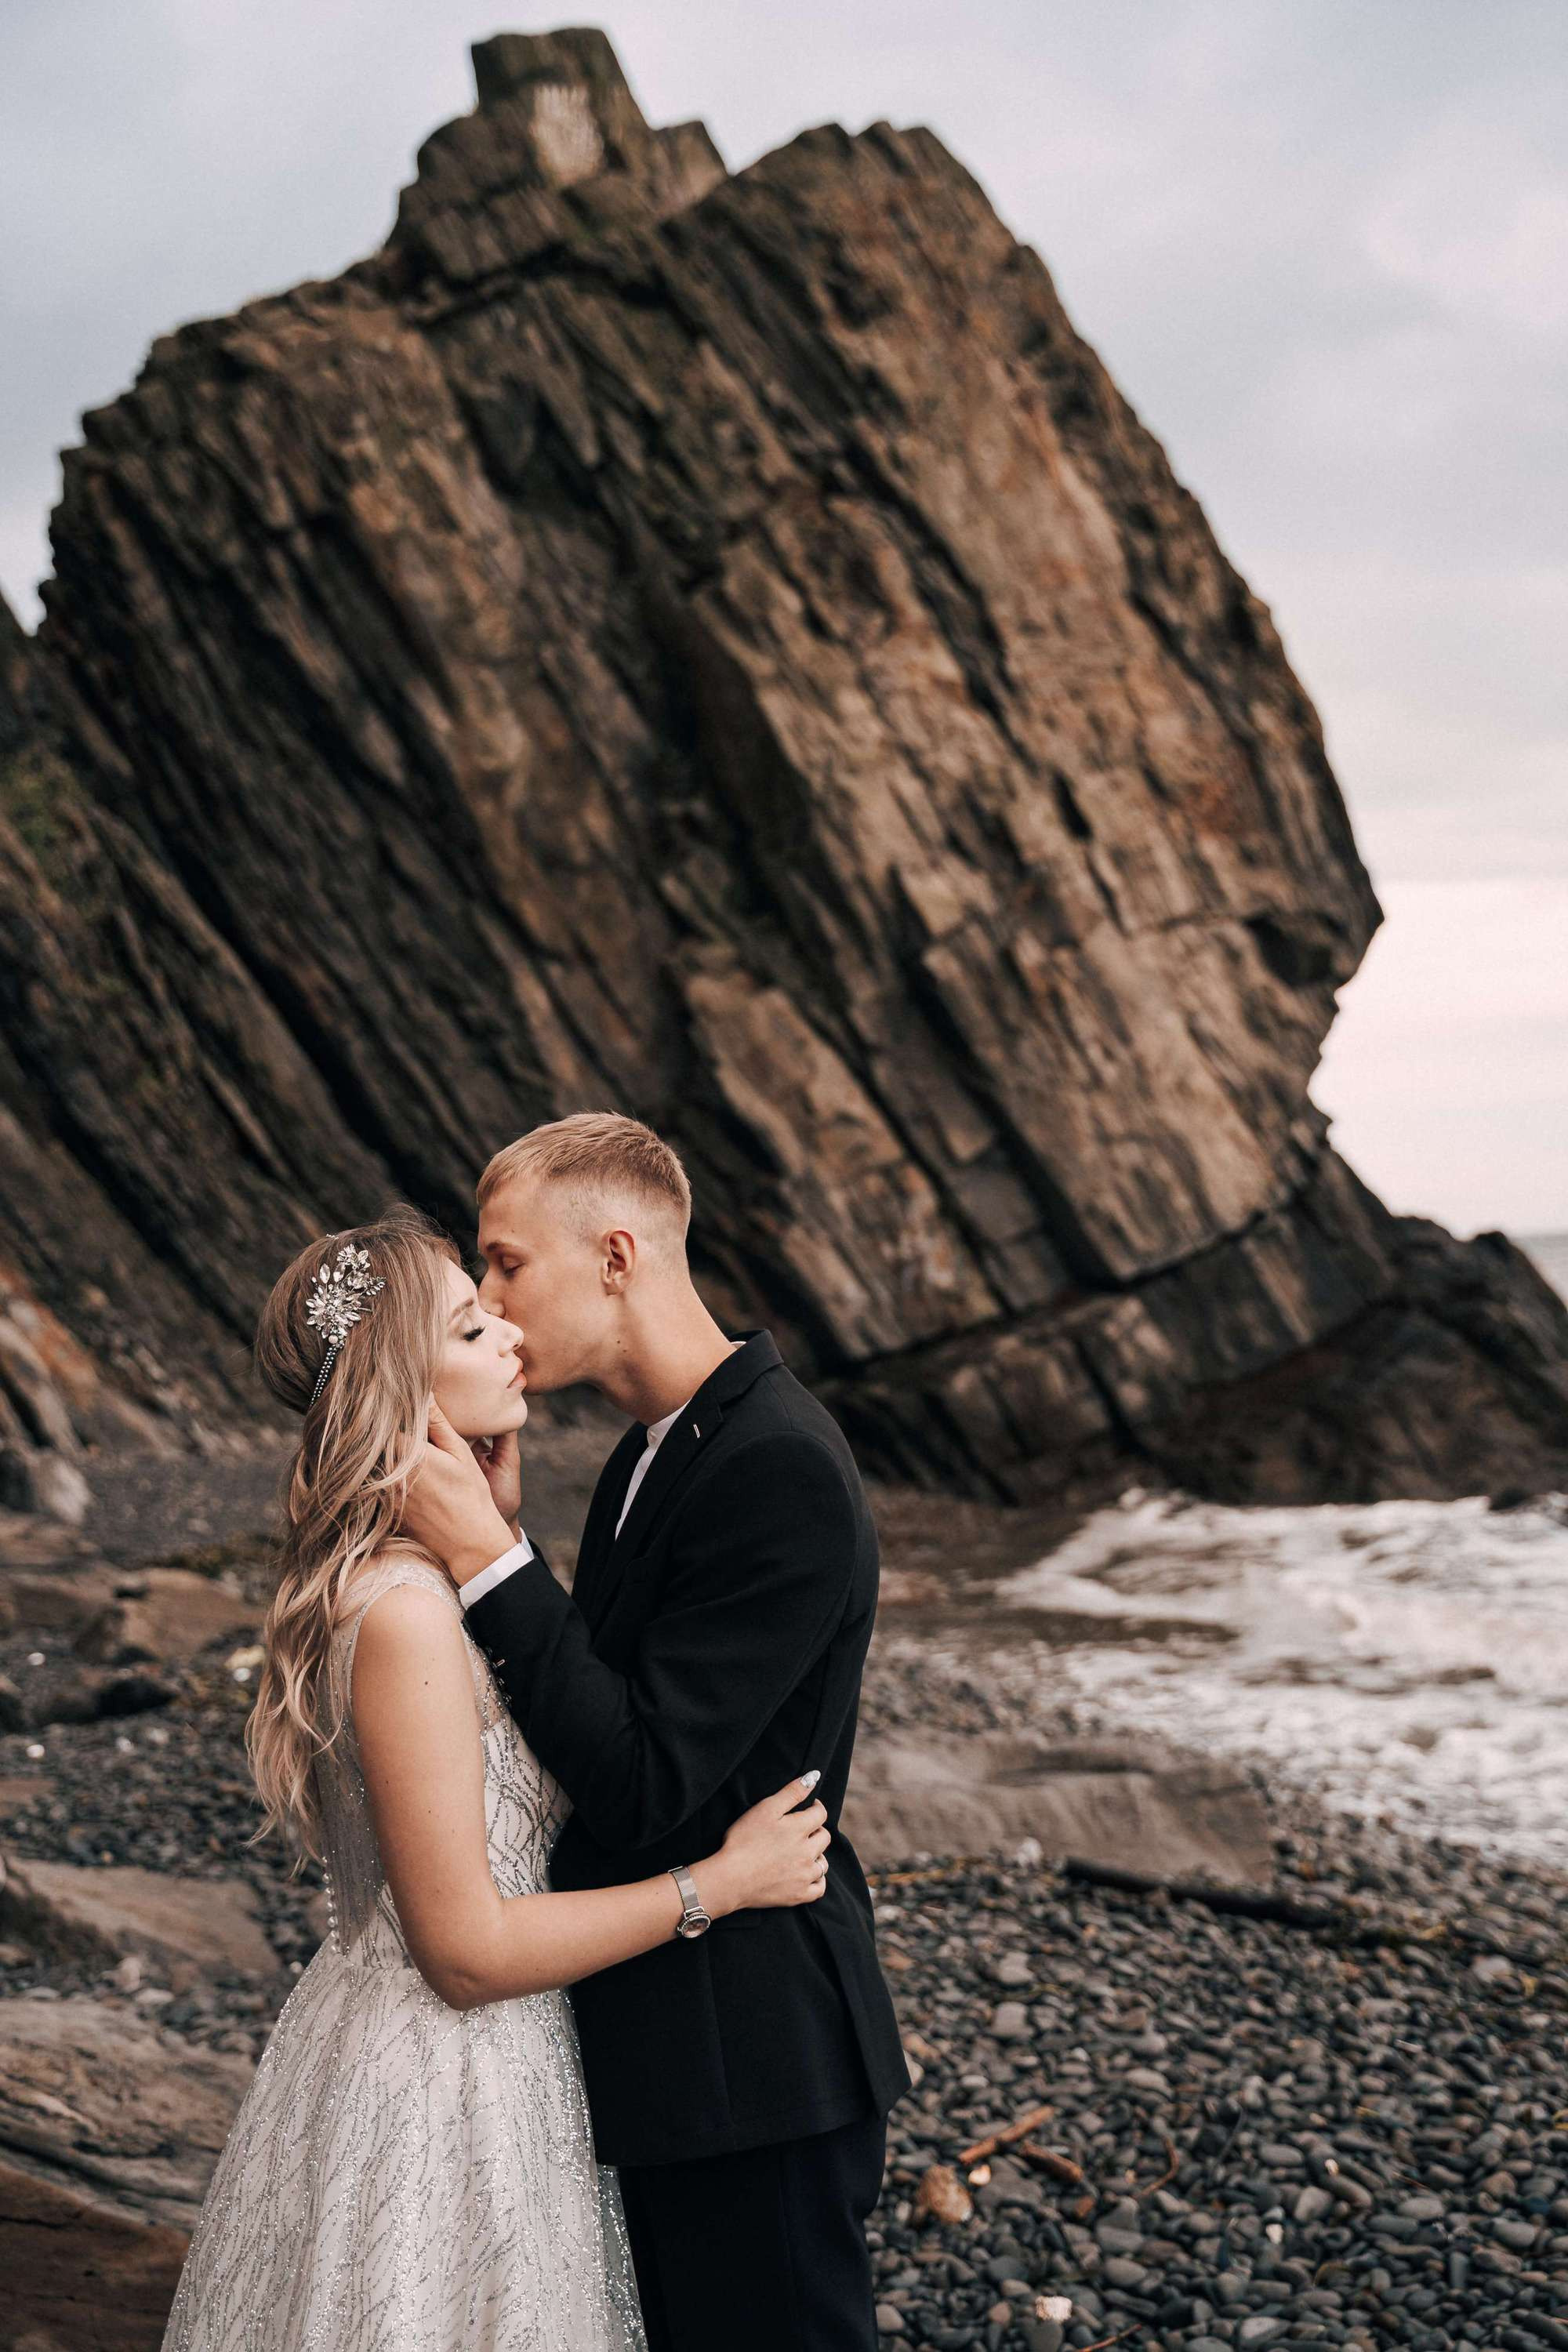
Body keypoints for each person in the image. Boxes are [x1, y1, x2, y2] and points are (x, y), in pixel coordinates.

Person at [162, 1203, 832, 2352]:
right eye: (473, 1329)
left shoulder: (430, 1590)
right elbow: (466, 1953)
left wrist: (501, 1544)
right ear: (403, 1394)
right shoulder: (409, 1617)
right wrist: (719, 1883)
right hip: (441, 2089)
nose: (511, 1334)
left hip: (475, 2064)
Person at [401, 1112, 910, 2352]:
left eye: (509, 1263)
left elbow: (642, 1783)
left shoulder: (774, 1463)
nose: (492, 1302)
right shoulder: (655, 1449)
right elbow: (617, 1721)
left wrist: (490, 1559)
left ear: (617, 1257)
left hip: (756, 2058)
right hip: (681, 2043)